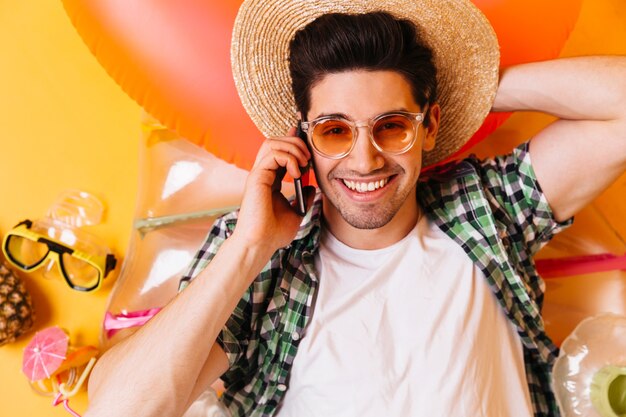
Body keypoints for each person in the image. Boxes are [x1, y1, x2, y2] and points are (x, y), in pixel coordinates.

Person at [84, 0, 626, 416]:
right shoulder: (261, 257)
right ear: (304, 138)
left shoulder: (485, 206)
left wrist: (473, 88)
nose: (365, 160)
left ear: (429, 125)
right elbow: (119, 409)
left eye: (391, 126)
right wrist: (251, 246)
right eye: (335, 130)